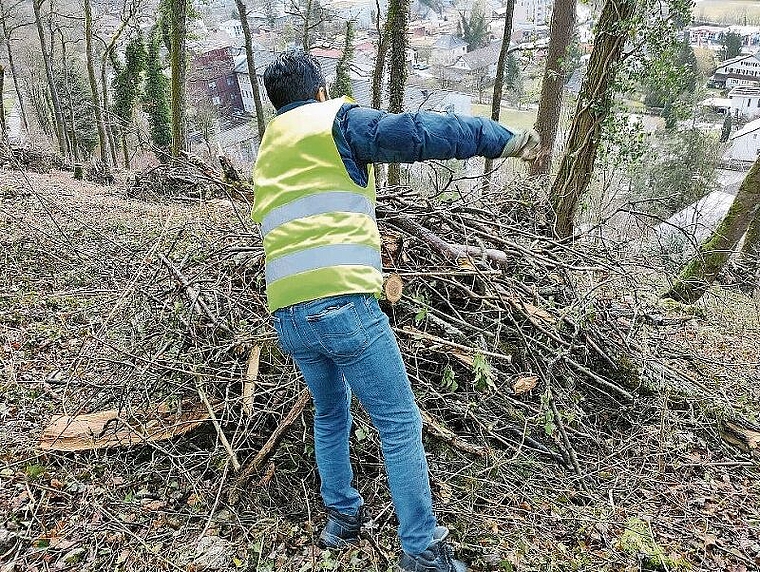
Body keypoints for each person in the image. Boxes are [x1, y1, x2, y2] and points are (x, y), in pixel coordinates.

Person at [252, 49, 539, 572]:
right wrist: (498, 138)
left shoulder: (269, 149)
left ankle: (341, 519)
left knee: (330, 412)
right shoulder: (335, 123)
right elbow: (417, 133)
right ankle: (423, 552)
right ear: (319, 91)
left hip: (289, 316)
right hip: (343, 306)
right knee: (400, 423)